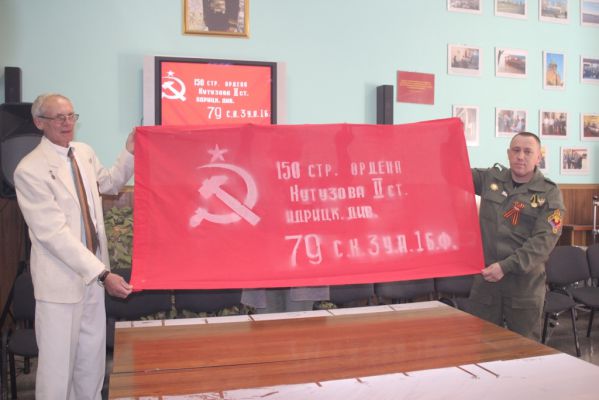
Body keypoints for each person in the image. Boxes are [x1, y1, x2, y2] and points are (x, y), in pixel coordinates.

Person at [13, 93, 135, 399]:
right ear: (39, 122)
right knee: (58, 370)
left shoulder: (83, 152)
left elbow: (109, 183)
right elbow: (54, 234)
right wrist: (103, 273)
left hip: (93, 280)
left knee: (91, 363)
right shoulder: (29, 170)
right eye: (59, 117)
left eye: (71, 116)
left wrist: (130, 151)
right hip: (61, 283)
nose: (67, 123)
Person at [467, 131, 565, 339]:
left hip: (524, 286)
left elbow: (543, 242)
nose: (521, 156)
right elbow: (455, 172)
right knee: (480, 345)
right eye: (516, 150)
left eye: (528, 152)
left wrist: (505, 266)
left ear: (539, 157)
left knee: (524, 350)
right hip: (487, 283)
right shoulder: (490, 178)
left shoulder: (549, 193)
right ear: (508, 153)